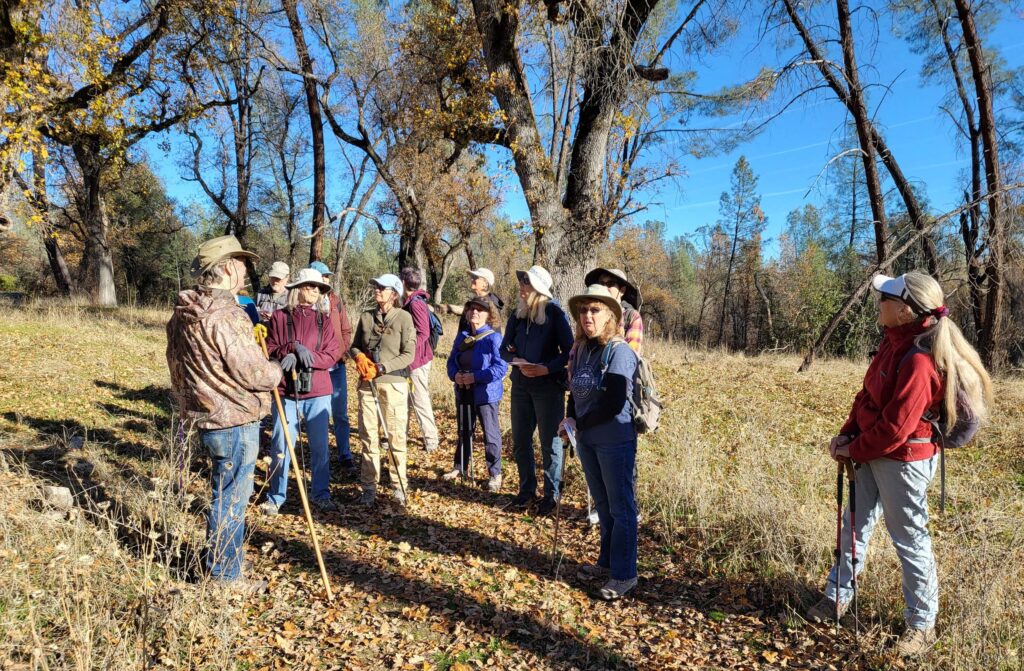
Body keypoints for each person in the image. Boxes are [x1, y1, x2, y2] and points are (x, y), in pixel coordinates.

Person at [807, 271, 993, 658]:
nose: (879, 303)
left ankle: (922, 626)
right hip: (872, 453)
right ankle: (836, 598)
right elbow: (866, 399)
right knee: (854, 527)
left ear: (904, 311)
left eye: (884, 298)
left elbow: (895, 427)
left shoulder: (920, 361)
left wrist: (853, 449)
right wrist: (846, 436)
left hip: (903, 461)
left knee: (909, 540)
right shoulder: (893, 344)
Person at [166, 235, 282, 591]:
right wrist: (276, 368)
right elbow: (255, 372)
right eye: (243, 264)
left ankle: (221, 565)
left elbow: (175, 366)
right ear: (229, 267)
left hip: (206, 418)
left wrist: (192, 405)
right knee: (231, 499)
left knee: (222, 493)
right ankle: (224, 575)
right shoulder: (226, 315)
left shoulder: (182, 314)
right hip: (235, 419)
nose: (246, 271)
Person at [558, 284, 640, 601]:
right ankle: (606, 562)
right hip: (588, 440)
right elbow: (574, 393)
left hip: (615, 441)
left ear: (610, 316)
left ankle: (624, 574)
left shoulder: (620, 352)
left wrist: (580, 423)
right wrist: (569, 420)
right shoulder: (581, 349)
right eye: (583, 310)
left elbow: (615, 402)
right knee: (603, 505)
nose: (587, 315)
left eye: (595, 310)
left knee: (621, 508)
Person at [260, 268, 341, 515]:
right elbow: (270, 347)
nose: (316, 291)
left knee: (319, 447)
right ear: (298, 289)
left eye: (319, 288)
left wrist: (309, 357)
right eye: (311, 286)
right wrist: (290, 350)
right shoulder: (279, 317)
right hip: (286, 390)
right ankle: (276, 496)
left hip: (317, 391)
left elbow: (332, 354)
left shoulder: (324, 320)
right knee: (281, 445)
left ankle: (320, 494)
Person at [500, 265, 574, 515]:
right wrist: (515, 359)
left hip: (548, 389)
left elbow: (570, 352)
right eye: (521, 282)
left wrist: (546, 368)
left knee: (550, 443)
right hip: (520, 387)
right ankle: (526, 491)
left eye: (526, 283)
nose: (521, 287)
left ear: (539, 289)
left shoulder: (554, 314)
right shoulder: (516, 315)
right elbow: (503, 348)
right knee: (520, 441)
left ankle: (551, 497)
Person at [350, 274, 416, 507]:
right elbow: (355, 345)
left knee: (395, 437)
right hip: (367, 385)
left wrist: (382, 367)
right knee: (368, 437)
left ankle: (399, 485)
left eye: (382, 287)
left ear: (394, 294)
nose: (377, 290)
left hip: (394, 384)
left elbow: (409, 355)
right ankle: (369, 487)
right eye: (376, 286)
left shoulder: (404, 318)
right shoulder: (367, 317)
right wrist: (358, 357)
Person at [445, 296, 508, 491]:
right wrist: (455, 375)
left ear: (489, 315)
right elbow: (451, 361)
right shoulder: (462, 336)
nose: (475, 312)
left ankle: (495, 474)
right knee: (464, 431)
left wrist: (475, 377)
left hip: (486, 395)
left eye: (480, 309)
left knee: (491, 435)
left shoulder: (494, 338)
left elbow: (501, 368)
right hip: (463, 392)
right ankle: (459, 467)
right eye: (471, 309)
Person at [309, 261, 356, 475]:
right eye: (322, 276)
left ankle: (344, 453)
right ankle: (320, 458)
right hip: (316, 368)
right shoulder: (306, 303)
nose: (326, 280)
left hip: (337, 366)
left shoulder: (335, 301)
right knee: (319, 414)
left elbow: (346, 329)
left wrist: (342, 352)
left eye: (327, 276)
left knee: (340, 412)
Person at [400, 267, 440, 454]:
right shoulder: (413, 301)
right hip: (414, 359)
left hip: (418, 360)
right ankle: (401, 434)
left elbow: (423, 332)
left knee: (419, 398)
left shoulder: (415, 303)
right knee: (407, 398)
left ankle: (431, 438)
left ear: (403, 283)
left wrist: (407, 350)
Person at [584, 268, 643, 353]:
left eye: (610, 283)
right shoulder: (588, 314)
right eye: (601, 284)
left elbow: (631, 355)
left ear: (622, 290)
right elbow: (577, 349)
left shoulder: (632, 317)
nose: (604, 287)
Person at [458, 267, 505, 333]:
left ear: (485, 284)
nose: (472, 279)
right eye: (472, 277)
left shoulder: (491, 306)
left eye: (475, 277)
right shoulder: (472, 303)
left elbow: (493, 336)